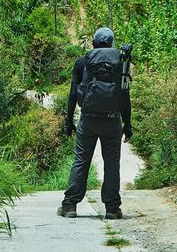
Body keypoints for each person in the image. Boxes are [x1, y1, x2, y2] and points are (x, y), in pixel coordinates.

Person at [57, 27, 133, 220]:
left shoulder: (83, 62)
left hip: (88, 119)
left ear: (93, 43)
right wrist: (128, 124)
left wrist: (68, 121)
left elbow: (74, 93)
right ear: (111, 44)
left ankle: (70, 206)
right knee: (111, 163)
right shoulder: (119, 62)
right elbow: (124, 94)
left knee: (81, 161)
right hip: (112, 120)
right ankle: (112, 208)